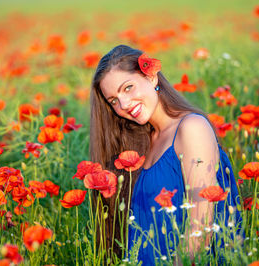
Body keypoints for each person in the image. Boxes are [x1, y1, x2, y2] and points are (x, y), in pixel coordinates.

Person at [90, 44, 242, 265]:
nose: (123, 104)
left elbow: (201, 227)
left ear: (152, 77)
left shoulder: (191, 128)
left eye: (128, 88)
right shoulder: (141, 143)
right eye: (113, 100)